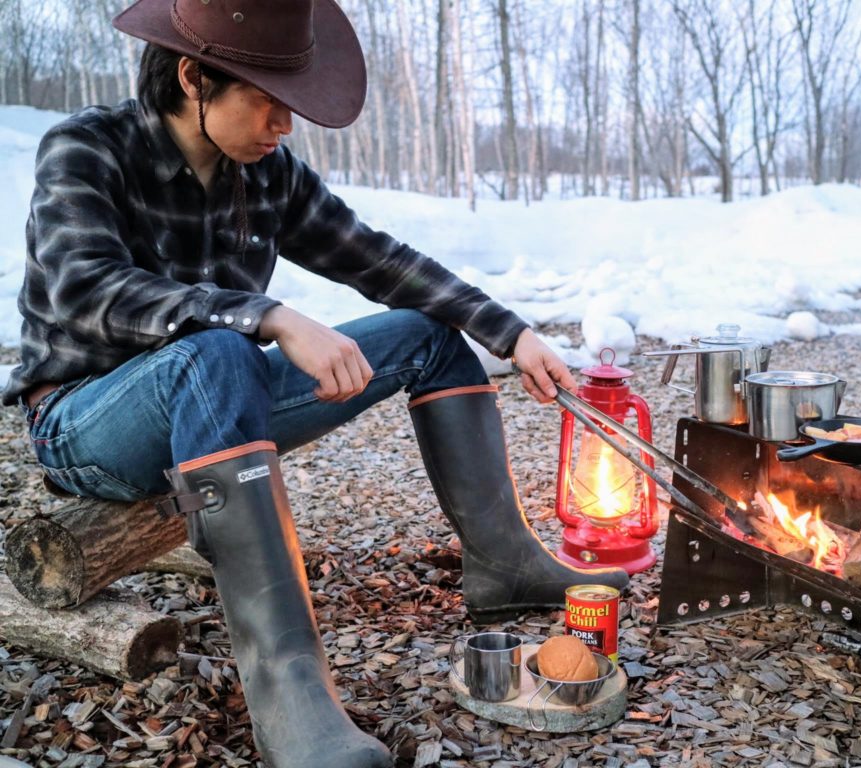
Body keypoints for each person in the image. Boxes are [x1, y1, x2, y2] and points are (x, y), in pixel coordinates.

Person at [2, 1, 630, 766]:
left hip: (218, 394)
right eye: (268, 100)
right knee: (221, 349)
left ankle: (502, 561)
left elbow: (380, 259)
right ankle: (289, 696)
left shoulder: (268, 175)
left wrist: (512, 332)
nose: (285, 126)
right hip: (85, 422)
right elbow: (84, 287)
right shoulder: (86, 148)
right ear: (195, 76)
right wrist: (265, 315)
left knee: (427, 334)